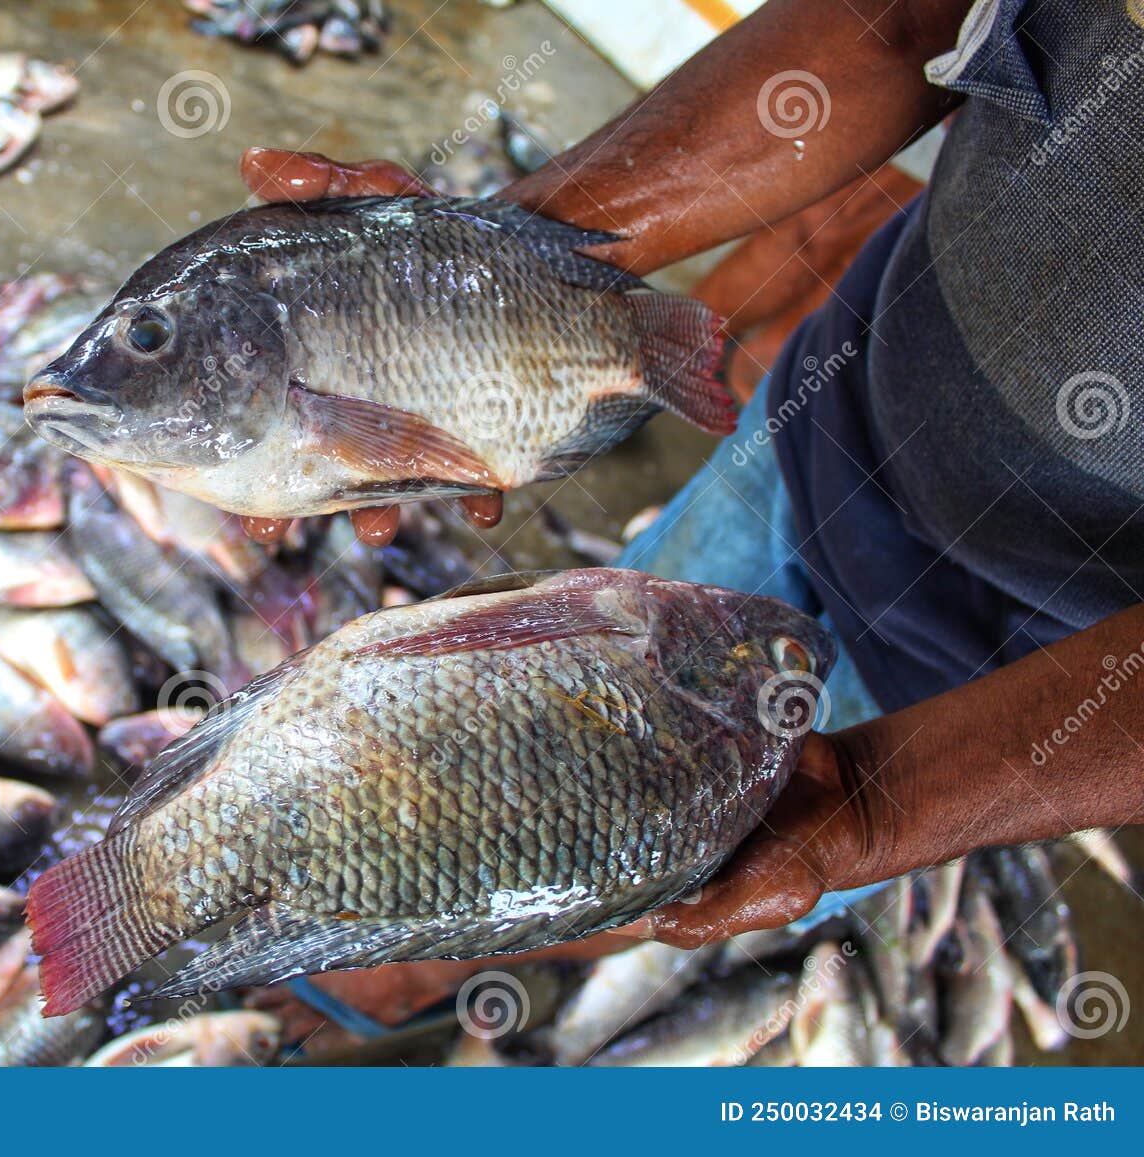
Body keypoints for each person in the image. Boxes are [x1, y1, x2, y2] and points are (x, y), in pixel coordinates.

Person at [237, 0, 1144, 972]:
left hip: (1001, 675)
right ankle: (413, 947)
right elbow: (900, 20)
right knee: (509, 760)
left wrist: (880, 806)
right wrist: (488, 269)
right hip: (819, 426)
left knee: (618, 875)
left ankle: (446, 968)